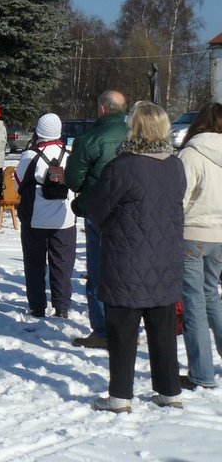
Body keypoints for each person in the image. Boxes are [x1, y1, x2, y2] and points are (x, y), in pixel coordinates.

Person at [85, 101, 185, 413]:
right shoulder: (175, 165)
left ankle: (119, 398)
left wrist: (83, 206)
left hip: (127, 261)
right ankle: (170, 392)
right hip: (165, 259)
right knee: (162, 331)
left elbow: (98, 208)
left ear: (135, 128)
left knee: (123, 333)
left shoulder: (123, 166)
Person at [64, 89, 128, 349]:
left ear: (102, 108)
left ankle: (102, 329)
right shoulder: (137, 136)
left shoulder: (90, 139)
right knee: (128, 269)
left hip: (98, 211)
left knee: (98, 270)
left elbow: (73, 179)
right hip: (133, 211)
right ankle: (126, 326)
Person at [176, 102, 222, 390]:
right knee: (212, 296)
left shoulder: (191, 154)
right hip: (219, 235)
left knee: (194, 303)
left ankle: (202, 373)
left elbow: (178, 198)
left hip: (193, 233)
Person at [14, 113, 76, 318]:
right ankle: (62, 307)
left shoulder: (29, 155)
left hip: (35, 218)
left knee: (34, 264)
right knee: (63, 263)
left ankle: (37, 306)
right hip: (64, 218)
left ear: (38, 131)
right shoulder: (70, 153)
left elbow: (18, 184)